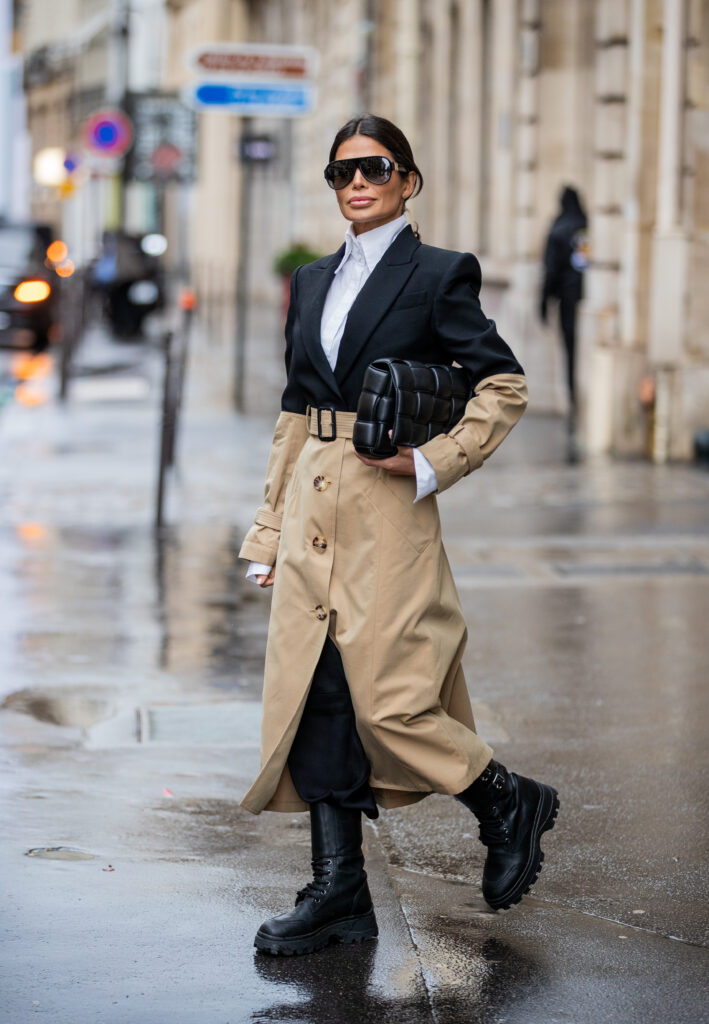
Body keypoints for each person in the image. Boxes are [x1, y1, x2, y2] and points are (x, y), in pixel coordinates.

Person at [239, 114, 559, 956]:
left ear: (406, 180)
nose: (357, 183)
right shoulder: (309, 281)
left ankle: (505, 799)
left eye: (375, 168)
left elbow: (501, 386)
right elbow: (293, 414)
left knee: (390, 696)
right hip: (310, 502)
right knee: (319, 695)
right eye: (341, 172)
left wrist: (432, 465)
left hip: (387, 509)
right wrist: (267, 530)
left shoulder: (439, 273)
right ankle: (338, 888)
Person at [539, 185, 588, 456]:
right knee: (575, 354)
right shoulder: (583, 226)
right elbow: (583, 264)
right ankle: (574, 406)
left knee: (570, 353)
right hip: (580, 298)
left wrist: (544, 303)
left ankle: (573, 404)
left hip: (566, 304)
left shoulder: (558, 229)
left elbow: (549, 270)